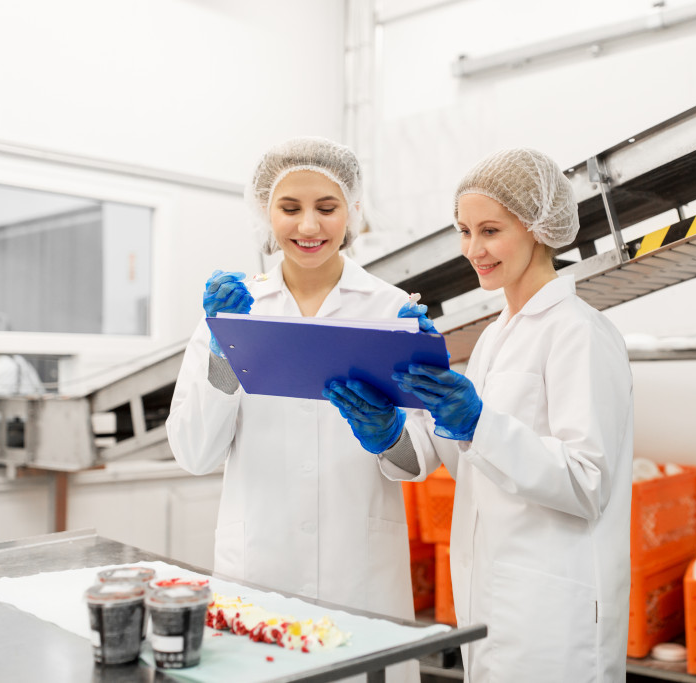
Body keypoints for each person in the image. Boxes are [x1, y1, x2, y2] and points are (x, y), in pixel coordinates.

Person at [325, 148, 634, 681]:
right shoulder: (495, 337)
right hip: (489, 601)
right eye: (464, 231)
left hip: (553, 617)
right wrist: (392, 426)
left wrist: (478, 422)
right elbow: (460, 454)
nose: (473, 249)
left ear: (538, 228)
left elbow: (588, 481)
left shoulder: (579, 333)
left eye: (489, 230)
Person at [166, 137, 418, 682]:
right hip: (261, 564)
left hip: (360, 573)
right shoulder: (231, 312)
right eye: (290, 208)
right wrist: (224, 352)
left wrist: (391, 432)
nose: (309, 227)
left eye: (327, 208)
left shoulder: (389, 310)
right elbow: (193, 452)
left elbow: (416, 462)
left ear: (351, 211)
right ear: (265, 214)